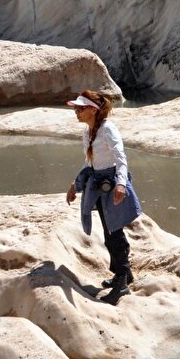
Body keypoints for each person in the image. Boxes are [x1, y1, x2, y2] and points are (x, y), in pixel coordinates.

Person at [65, 90, 142, 298]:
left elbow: (120, 158)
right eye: (76, 108)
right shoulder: (88, 132)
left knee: (114, 234)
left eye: (80, 108)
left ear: (92, 109)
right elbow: (89, 163)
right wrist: (75, 184)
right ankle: (124, 275)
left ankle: (122, 282)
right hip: (99, 186)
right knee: (110, 232)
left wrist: (121, 184)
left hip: (113, 185)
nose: (76, 112)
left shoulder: (108, 129)